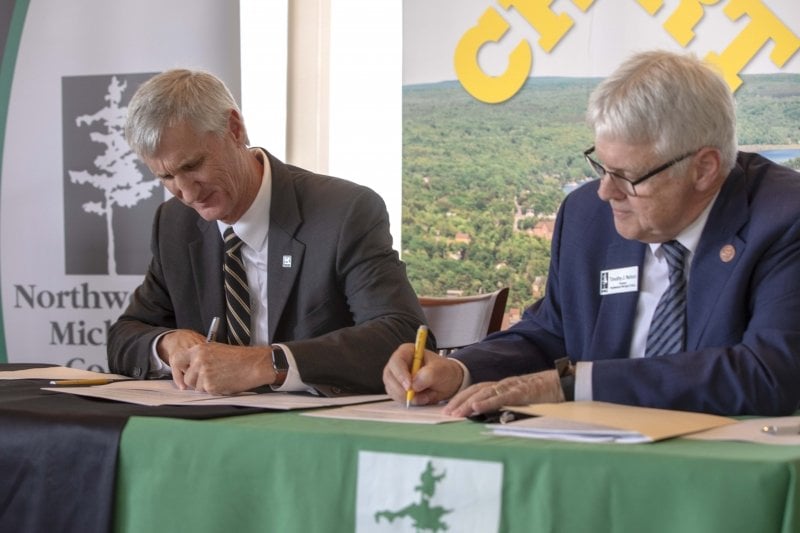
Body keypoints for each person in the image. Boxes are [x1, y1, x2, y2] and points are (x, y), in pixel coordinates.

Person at [383, 50, 800, 417]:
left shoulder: (784, 218)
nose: (606, 191)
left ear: (704, 169)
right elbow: (551, 332)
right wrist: (458, 369)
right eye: (601, 167)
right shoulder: (587, 216)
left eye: (627, 176)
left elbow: (769, 372)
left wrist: (575, 386)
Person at [108, 69, 428, 396]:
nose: (187, 194)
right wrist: (166, 344)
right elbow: (123, 338)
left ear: (234, 129)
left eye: (192, 166)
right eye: (166, 177)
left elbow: (400, 335)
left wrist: (266, 363)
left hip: (315, 431)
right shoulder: (174, 223)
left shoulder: (344, 212)